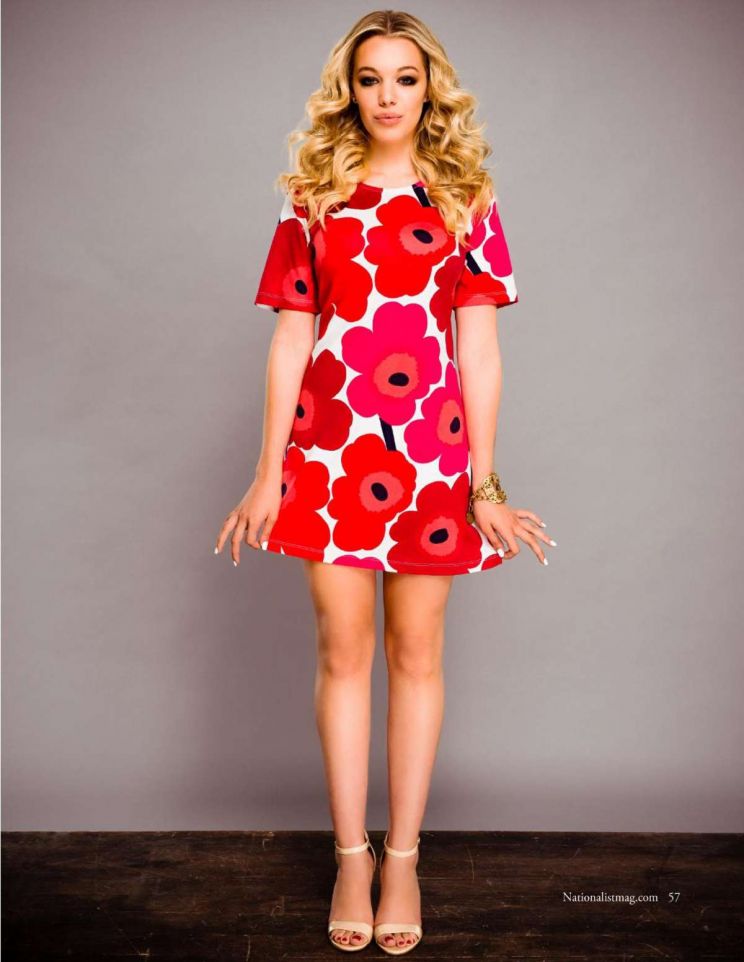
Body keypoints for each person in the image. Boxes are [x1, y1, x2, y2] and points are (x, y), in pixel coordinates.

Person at [216, 9, 555, 955]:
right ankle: (350, 856)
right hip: (328, 461)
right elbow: (290, 339)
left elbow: (478, 352)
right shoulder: (312, 196)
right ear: (350, 90)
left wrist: (485, 485)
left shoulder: (467, 198)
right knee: (342, 654)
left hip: (432, 464)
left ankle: (402, 857)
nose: (388, 96)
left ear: (429, 86)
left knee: (416, 655)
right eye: (370, 79)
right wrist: (267, 474)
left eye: (405, 78)